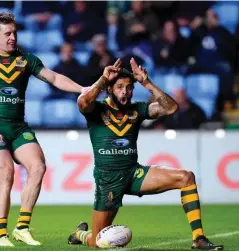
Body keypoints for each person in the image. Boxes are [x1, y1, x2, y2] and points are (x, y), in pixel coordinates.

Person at [0, 12, 84, 247]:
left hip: (19, 127)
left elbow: (53, 77)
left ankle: (22, 228)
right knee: (7, 175)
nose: (13, 37)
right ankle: (1, 235)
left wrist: (82, 88)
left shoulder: (25, 60)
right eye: (8, 33)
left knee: (38, 167)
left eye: (15, 33)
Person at [67, 58, 224, 250]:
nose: (125, 92)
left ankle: (198, 238)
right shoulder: (97, 109)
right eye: (119, 87)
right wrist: (103, 79)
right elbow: (83, 101)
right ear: (109, 89)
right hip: (108, 180)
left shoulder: (137, 110)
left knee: (186, 177)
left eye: (129, 87)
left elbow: (171, 108)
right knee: (97, 243)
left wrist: (146, 82)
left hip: (134, 174)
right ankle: (80, 234)